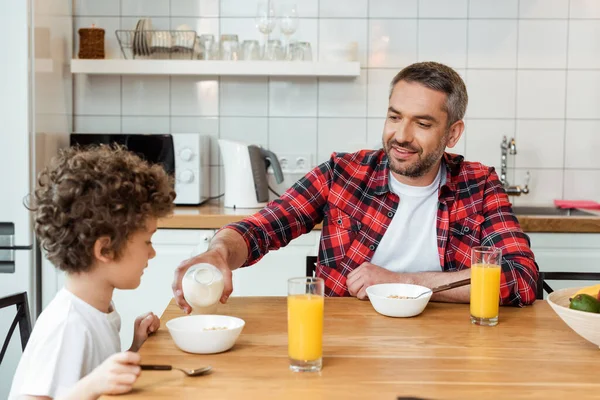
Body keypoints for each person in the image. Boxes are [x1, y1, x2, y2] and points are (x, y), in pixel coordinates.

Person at [172, 61, 538, 310]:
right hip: (344, 345)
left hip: (451, 352)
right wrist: (219, 251)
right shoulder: (344, 174)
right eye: (395, 117)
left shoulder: (479, 185)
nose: (402, 136)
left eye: (422, 124)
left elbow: (521, 279)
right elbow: (265, 226)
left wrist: (401, 283)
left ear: (452, 133)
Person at [10, 145, 176, 400]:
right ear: (105, 249)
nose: (152, 253)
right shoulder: (68, 326)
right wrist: (92, 387)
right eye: (147, 241)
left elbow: (98, 377)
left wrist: (135, 348)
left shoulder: (98, 309)